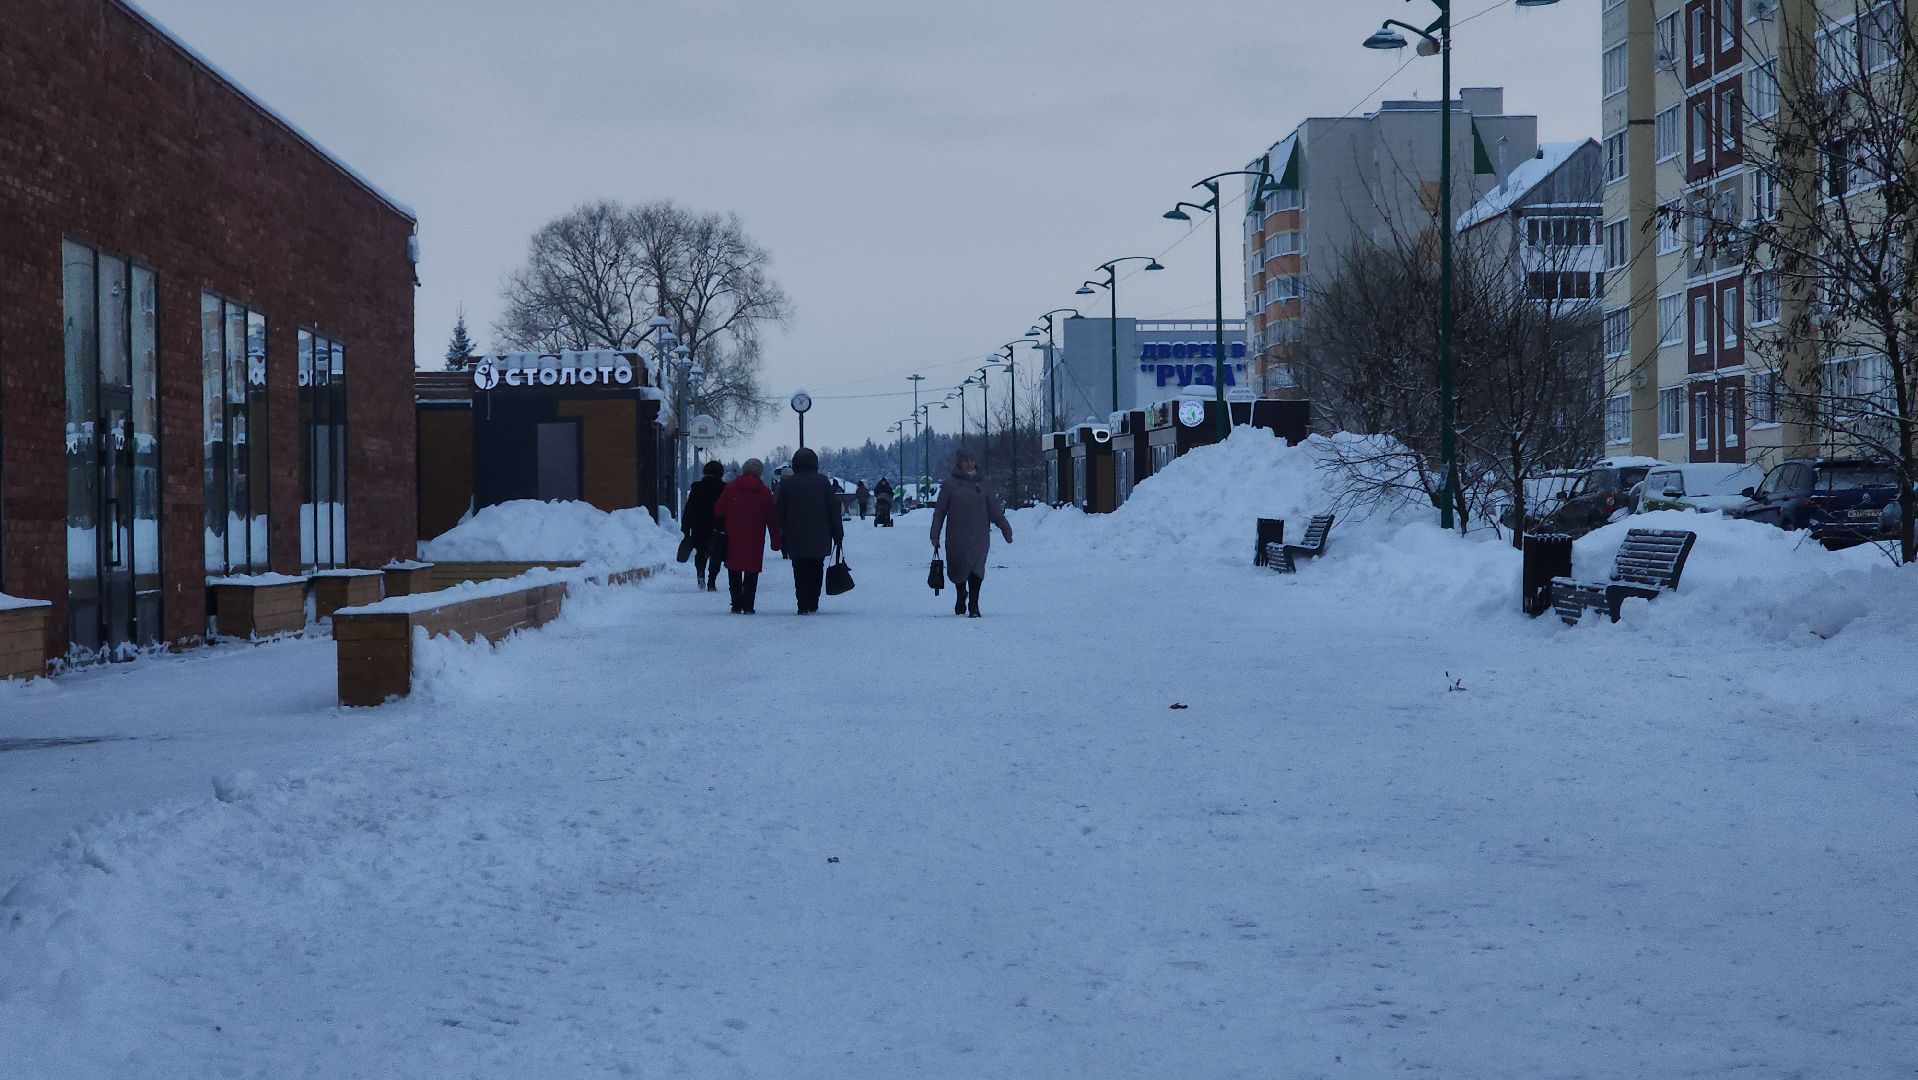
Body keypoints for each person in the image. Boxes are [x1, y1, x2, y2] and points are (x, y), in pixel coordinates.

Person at [930, 449, 1012, 618]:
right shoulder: (949, 485)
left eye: (972, 460)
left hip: (980, 535)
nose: (969, 463)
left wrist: (1005, 528)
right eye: (965, 460)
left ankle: (974, 605)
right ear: (959, 463)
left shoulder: (984, 483)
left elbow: (995, 510)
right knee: (959, 568)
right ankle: (961, 595)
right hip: (956, 535)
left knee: (977, 568)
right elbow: (940, 512)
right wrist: (935, 534)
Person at [776, 447, 843, 614]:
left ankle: (802, 603)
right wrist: (838, 534)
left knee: (799, 569)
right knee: (816, 567)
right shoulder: (822, 482)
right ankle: (813, 601)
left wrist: (783, 529)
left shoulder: (787, 484)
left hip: (795, 534)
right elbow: (833, 509)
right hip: (820, 533)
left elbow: (780, 510)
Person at [713, 458, 779, 614]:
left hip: (733, 534)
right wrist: (776, 541)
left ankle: (736, 603)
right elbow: (772, 518)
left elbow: (718, 511)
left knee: (734, 567)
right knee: (752, 569)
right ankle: (748, 604)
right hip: (755, 537)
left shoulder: (731, 488)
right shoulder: (764, 492)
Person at [681, 459, 727, 592]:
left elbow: (689, 508)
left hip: (699, 525)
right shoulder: (724, 487)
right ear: (720, 473)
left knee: (701, 552)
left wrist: (685, 526)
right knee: (716, 553)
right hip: (718, 525)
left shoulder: (697, 487)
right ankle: (712, 581)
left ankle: (700, 574)